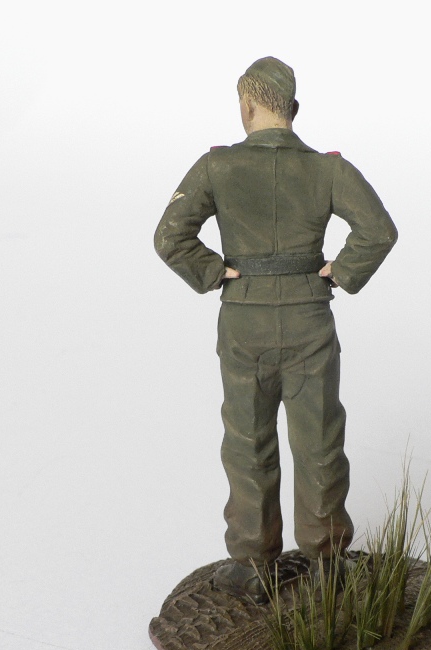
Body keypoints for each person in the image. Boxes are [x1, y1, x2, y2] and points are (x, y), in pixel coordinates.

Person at [154, 56, 397, 603]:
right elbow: (378, 231)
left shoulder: (216, 167)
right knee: (320, 440)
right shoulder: (328, 170)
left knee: (247, 441)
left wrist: (214, 272)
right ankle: (327, 562)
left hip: (244, 321)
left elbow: (169, 236)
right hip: (310, 316)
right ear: (294, 109)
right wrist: (341, 271)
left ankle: (253, 563)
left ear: (247, 107)